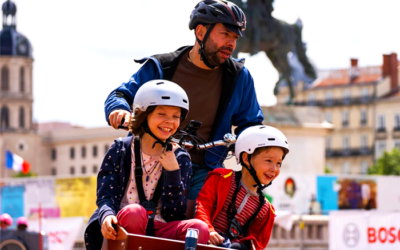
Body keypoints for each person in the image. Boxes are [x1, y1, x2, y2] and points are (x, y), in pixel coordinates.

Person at [104, 0, 264, 217]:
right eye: (225, 34)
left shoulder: (239, 77)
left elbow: (251, 125)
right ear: (200, 32)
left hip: (206, 167)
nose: (231, 44)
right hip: (155, 159)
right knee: (143, 219)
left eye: (235, 38)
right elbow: (120, 95)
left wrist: (255, 151)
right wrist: (120, 110)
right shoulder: (163, 66)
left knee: (202, 223)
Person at [85, 80, 209, 249]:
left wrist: (173, 172)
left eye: (175, 116)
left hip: (162, 229)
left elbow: (174, 214)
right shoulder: (121, 149)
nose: (169, 122)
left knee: (198, 228)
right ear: (143, 115)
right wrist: (107, 216)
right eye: (161, 114)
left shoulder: (180, 157)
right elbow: (106, 196)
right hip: (125, 227)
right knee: (134, 212)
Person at [195, 125, 289, 250]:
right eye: (268, 161)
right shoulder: (221, 178)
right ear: (246, 158)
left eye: (278, 163)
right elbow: (202, 206)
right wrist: (209, 230)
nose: (274, 169)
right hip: (206, 242)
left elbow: (257, 244)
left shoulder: (266, 209)